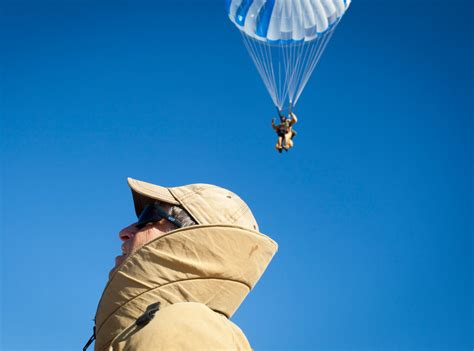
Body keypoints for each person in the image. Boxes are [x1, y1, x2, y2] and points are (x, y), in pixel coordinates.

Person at [84, 177, 278, 351]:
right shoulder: (174, 326)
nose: (124, 231)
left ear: (191, 238)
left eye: (148, 216)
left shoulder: (184, 327)